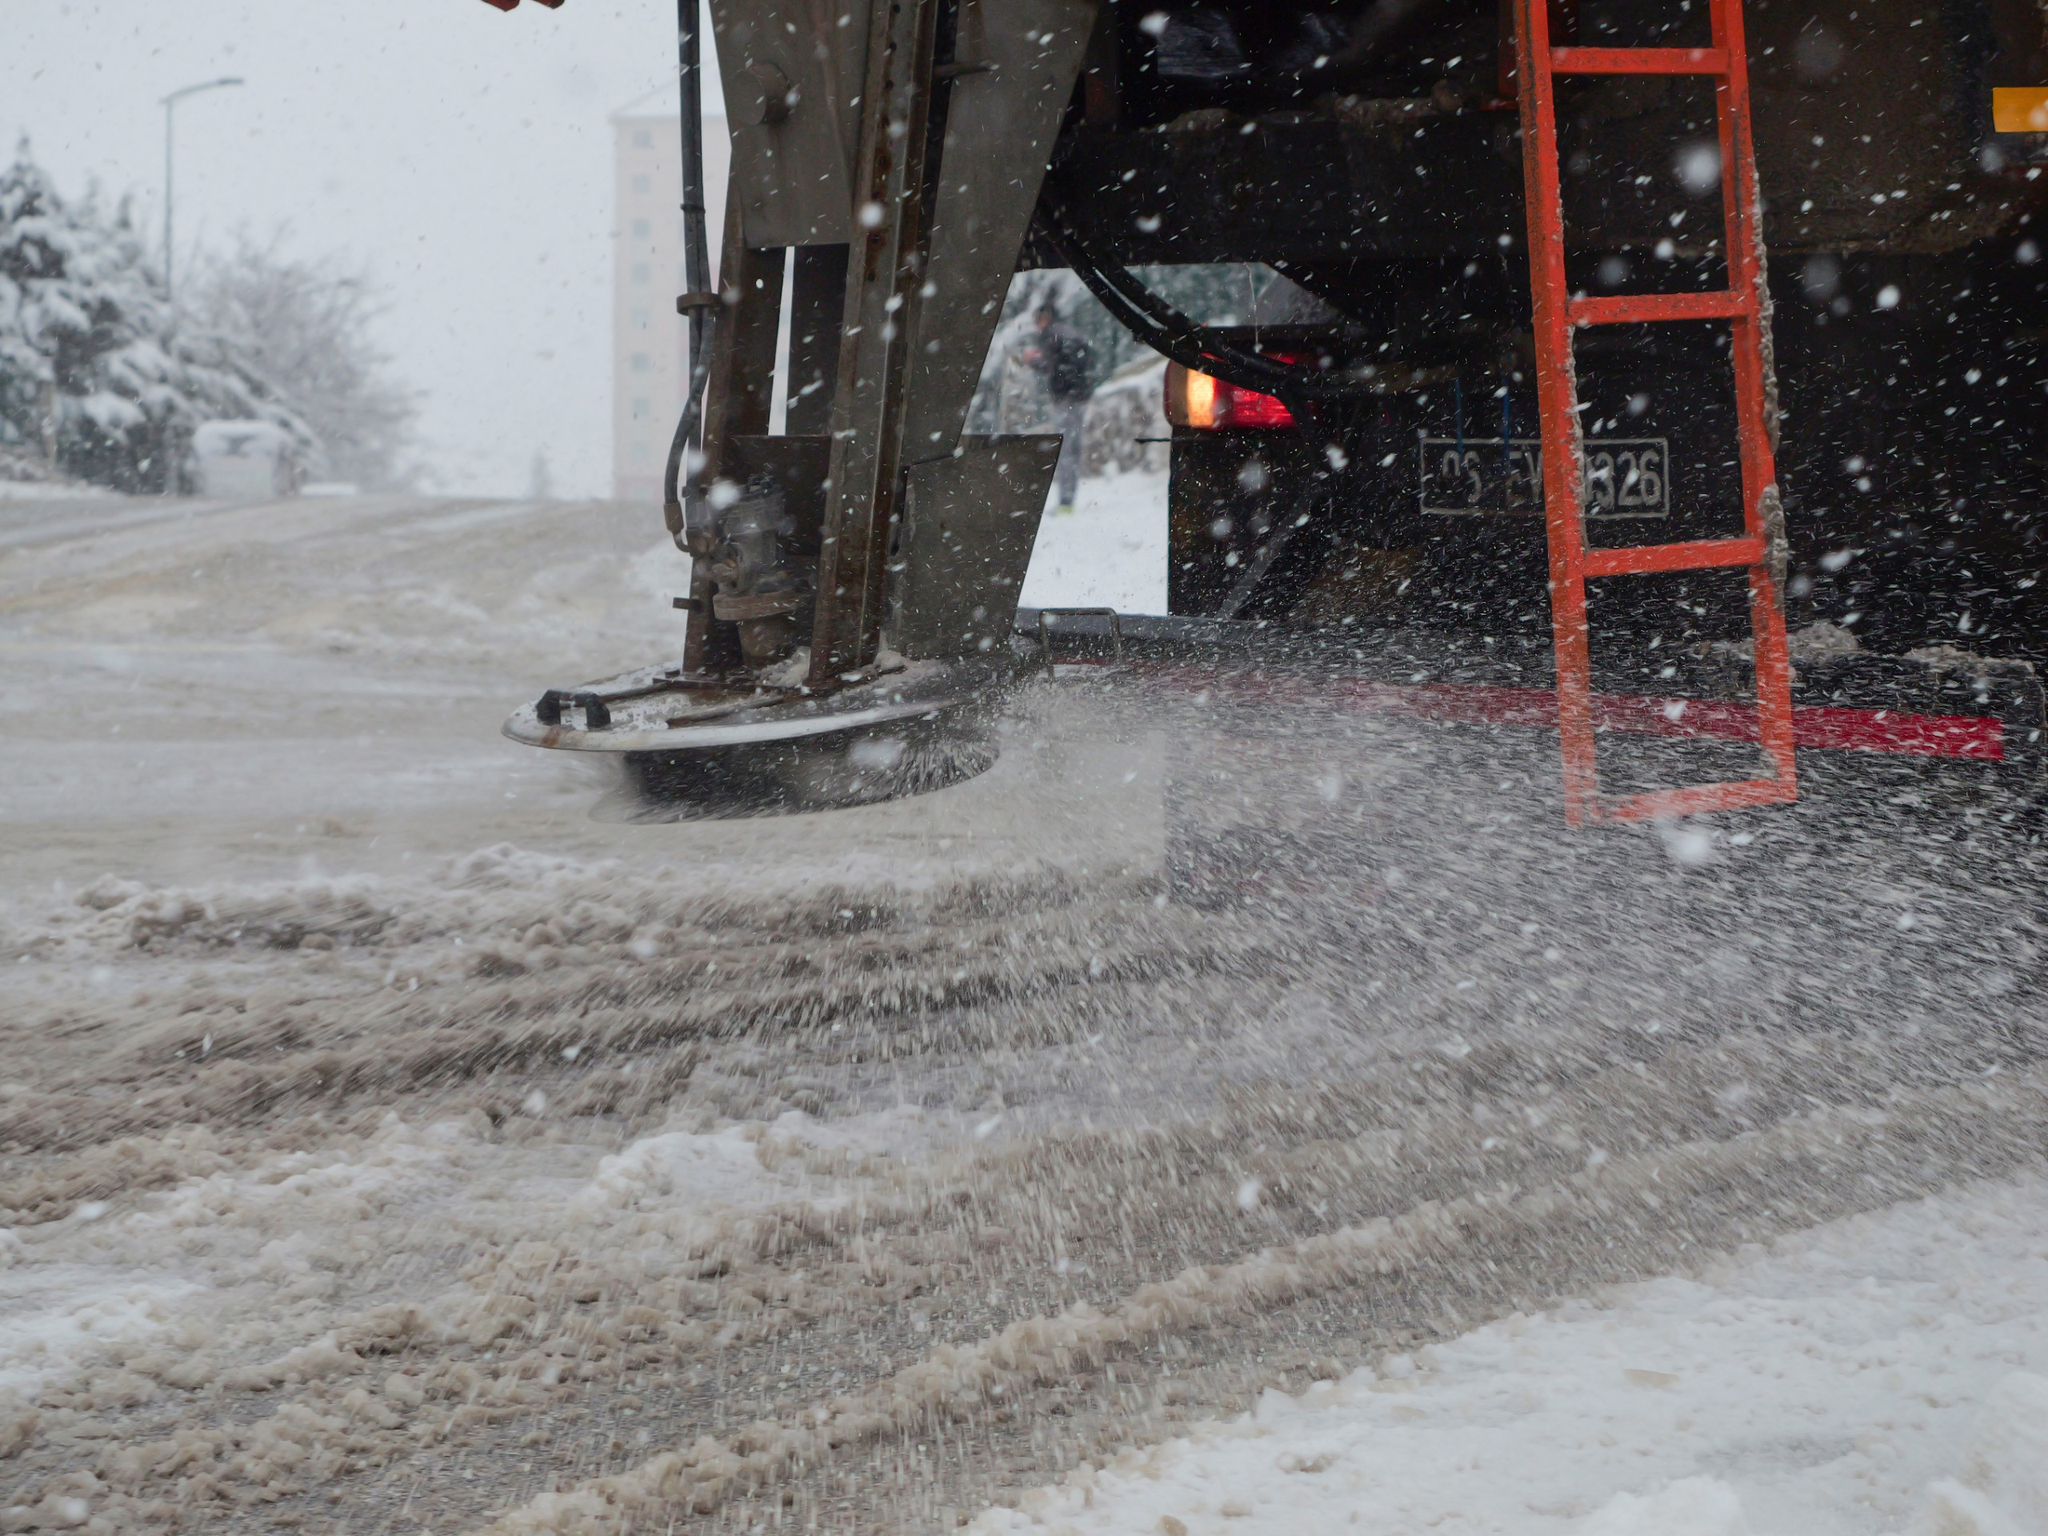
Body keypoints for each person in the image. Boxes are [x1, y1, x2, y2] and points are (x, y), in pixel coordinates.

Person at [1020, 300, 1096, 516]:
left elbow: (1052, 366)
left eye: (1040, 320)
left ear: (1046, 319)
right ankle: (1068, 500)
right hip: (1080, 397)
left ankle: (1065, 503)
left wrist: (1032, 361)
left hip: (1066, 399)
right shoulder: (1071, 333)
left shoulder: (1052, 335)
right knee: (1073, 448)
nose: (1039, 325)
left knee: (1066, 450)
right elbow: (1086, 360)